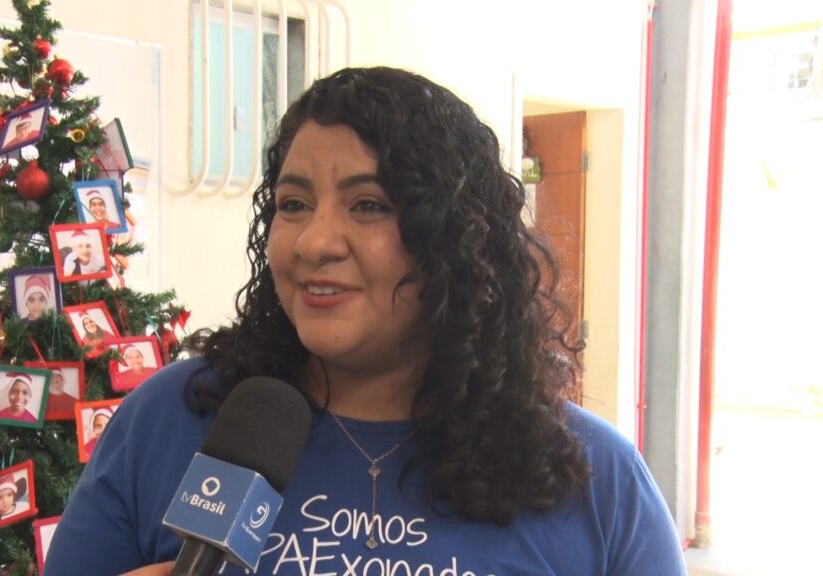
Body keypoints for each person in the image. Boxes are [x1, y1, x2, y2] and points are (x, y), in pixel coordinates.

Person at [44, 68, 687, 575]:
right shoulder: (169, 421)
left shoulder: (597, 479)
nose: (314, 241)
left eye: (368, 205)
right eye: (294, 204)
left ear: (456, 240)